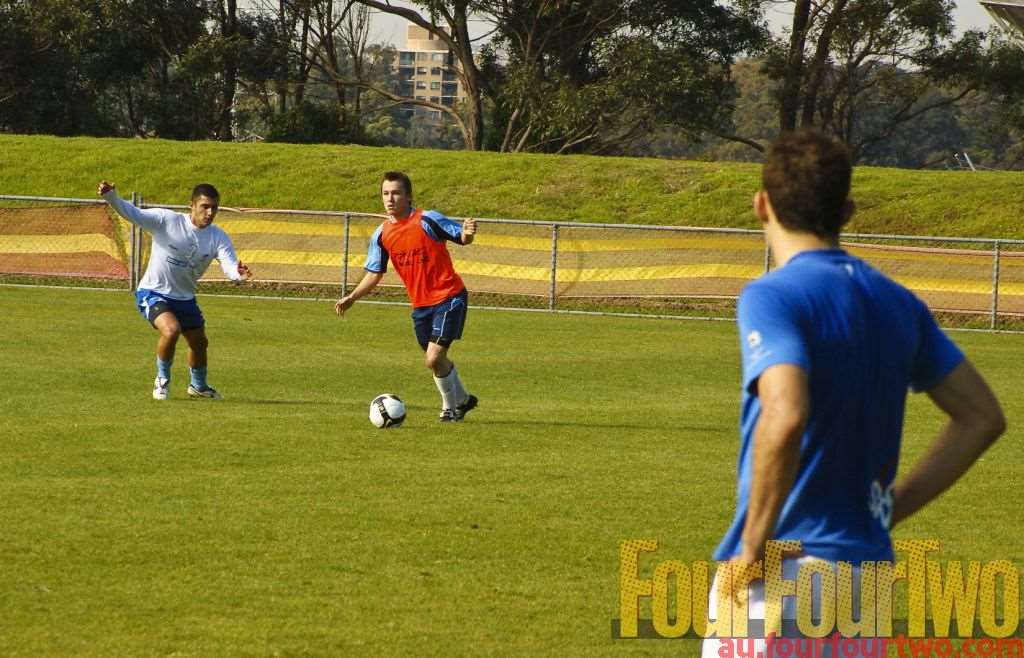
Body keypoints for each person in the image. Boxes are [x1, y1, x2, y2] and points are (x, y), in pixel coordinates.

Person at [702, 129, 1005, 657]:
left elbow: (786, 412)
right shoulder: (898, 302)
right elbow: (982, 417)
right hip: (864, 577)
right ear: (847, 211)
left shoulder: (773, 295)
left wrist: (752, 545)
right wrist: (887, 511)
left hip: (783, 569)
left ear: (761, 205)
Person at [335, 171, 478, 422]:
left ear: (409, 196)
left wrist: (468, 233)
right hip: (421, 306)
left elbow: (462, 238)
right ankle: (464, 400)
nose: (390, 199)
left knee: (433, 357)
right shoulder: (381, 234)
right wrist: (352, 297)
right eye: (385, 193)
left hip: (449, 297)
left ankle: (449, 409)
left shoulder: (428, 220)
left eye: (396, 193)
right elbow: (374, 273)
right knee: (436, 361)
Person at [98, 181, 252, 400]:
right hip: (153, 292)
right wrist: (111, 197)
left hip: (185, 298)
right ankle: (162, 380)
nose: (210, 213)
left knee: (199, 342)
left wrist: (238, 275)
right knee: (171, 330)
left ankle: (198, 386)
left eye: (214, 208)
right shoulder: (167, 220)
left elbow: (230, 265)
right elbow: (132, 213)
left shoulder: (218, 236)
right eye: (205, 206)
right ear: (192, 205)